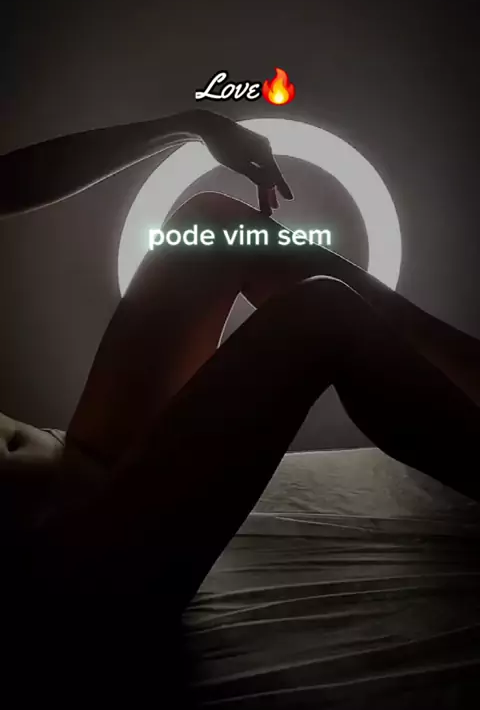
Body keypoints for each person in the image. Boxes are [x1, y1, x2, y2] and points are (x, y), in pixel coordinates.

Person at [1, 109, 479, 701]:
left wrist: (192, 124)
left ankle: (471, 367)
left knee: (213, 225)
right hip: (71, 570)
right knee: (320, 316)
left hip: (75, 464)